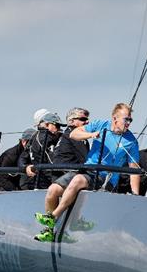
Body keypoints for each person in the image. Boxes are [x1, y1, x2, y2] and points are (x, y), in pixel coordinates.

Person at [34, 103, 140, 242]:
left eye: (130, 120)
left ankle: (53, 217)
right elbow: (73, 133)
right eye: (126, 119)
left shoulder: (131, 141)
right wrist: (90, 134)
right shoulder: (100, 125)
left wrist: (136, 195)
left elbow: (134, 169)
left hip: (105, 178)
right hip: (87, 171)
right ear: (115, 119)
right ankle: (50, 232)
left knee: (78, 180)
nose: (128, 123)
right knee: (53, 189)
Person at [19, 111, 64, 190]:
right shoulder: (45, 138)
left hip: (38, 181)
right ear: (47, 125)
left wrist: (25, 167)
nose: (59, 129)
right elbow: (52, 163)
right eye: (57, 125)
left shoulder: (34, 136)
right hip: (47, 183)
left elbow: (22, 158)